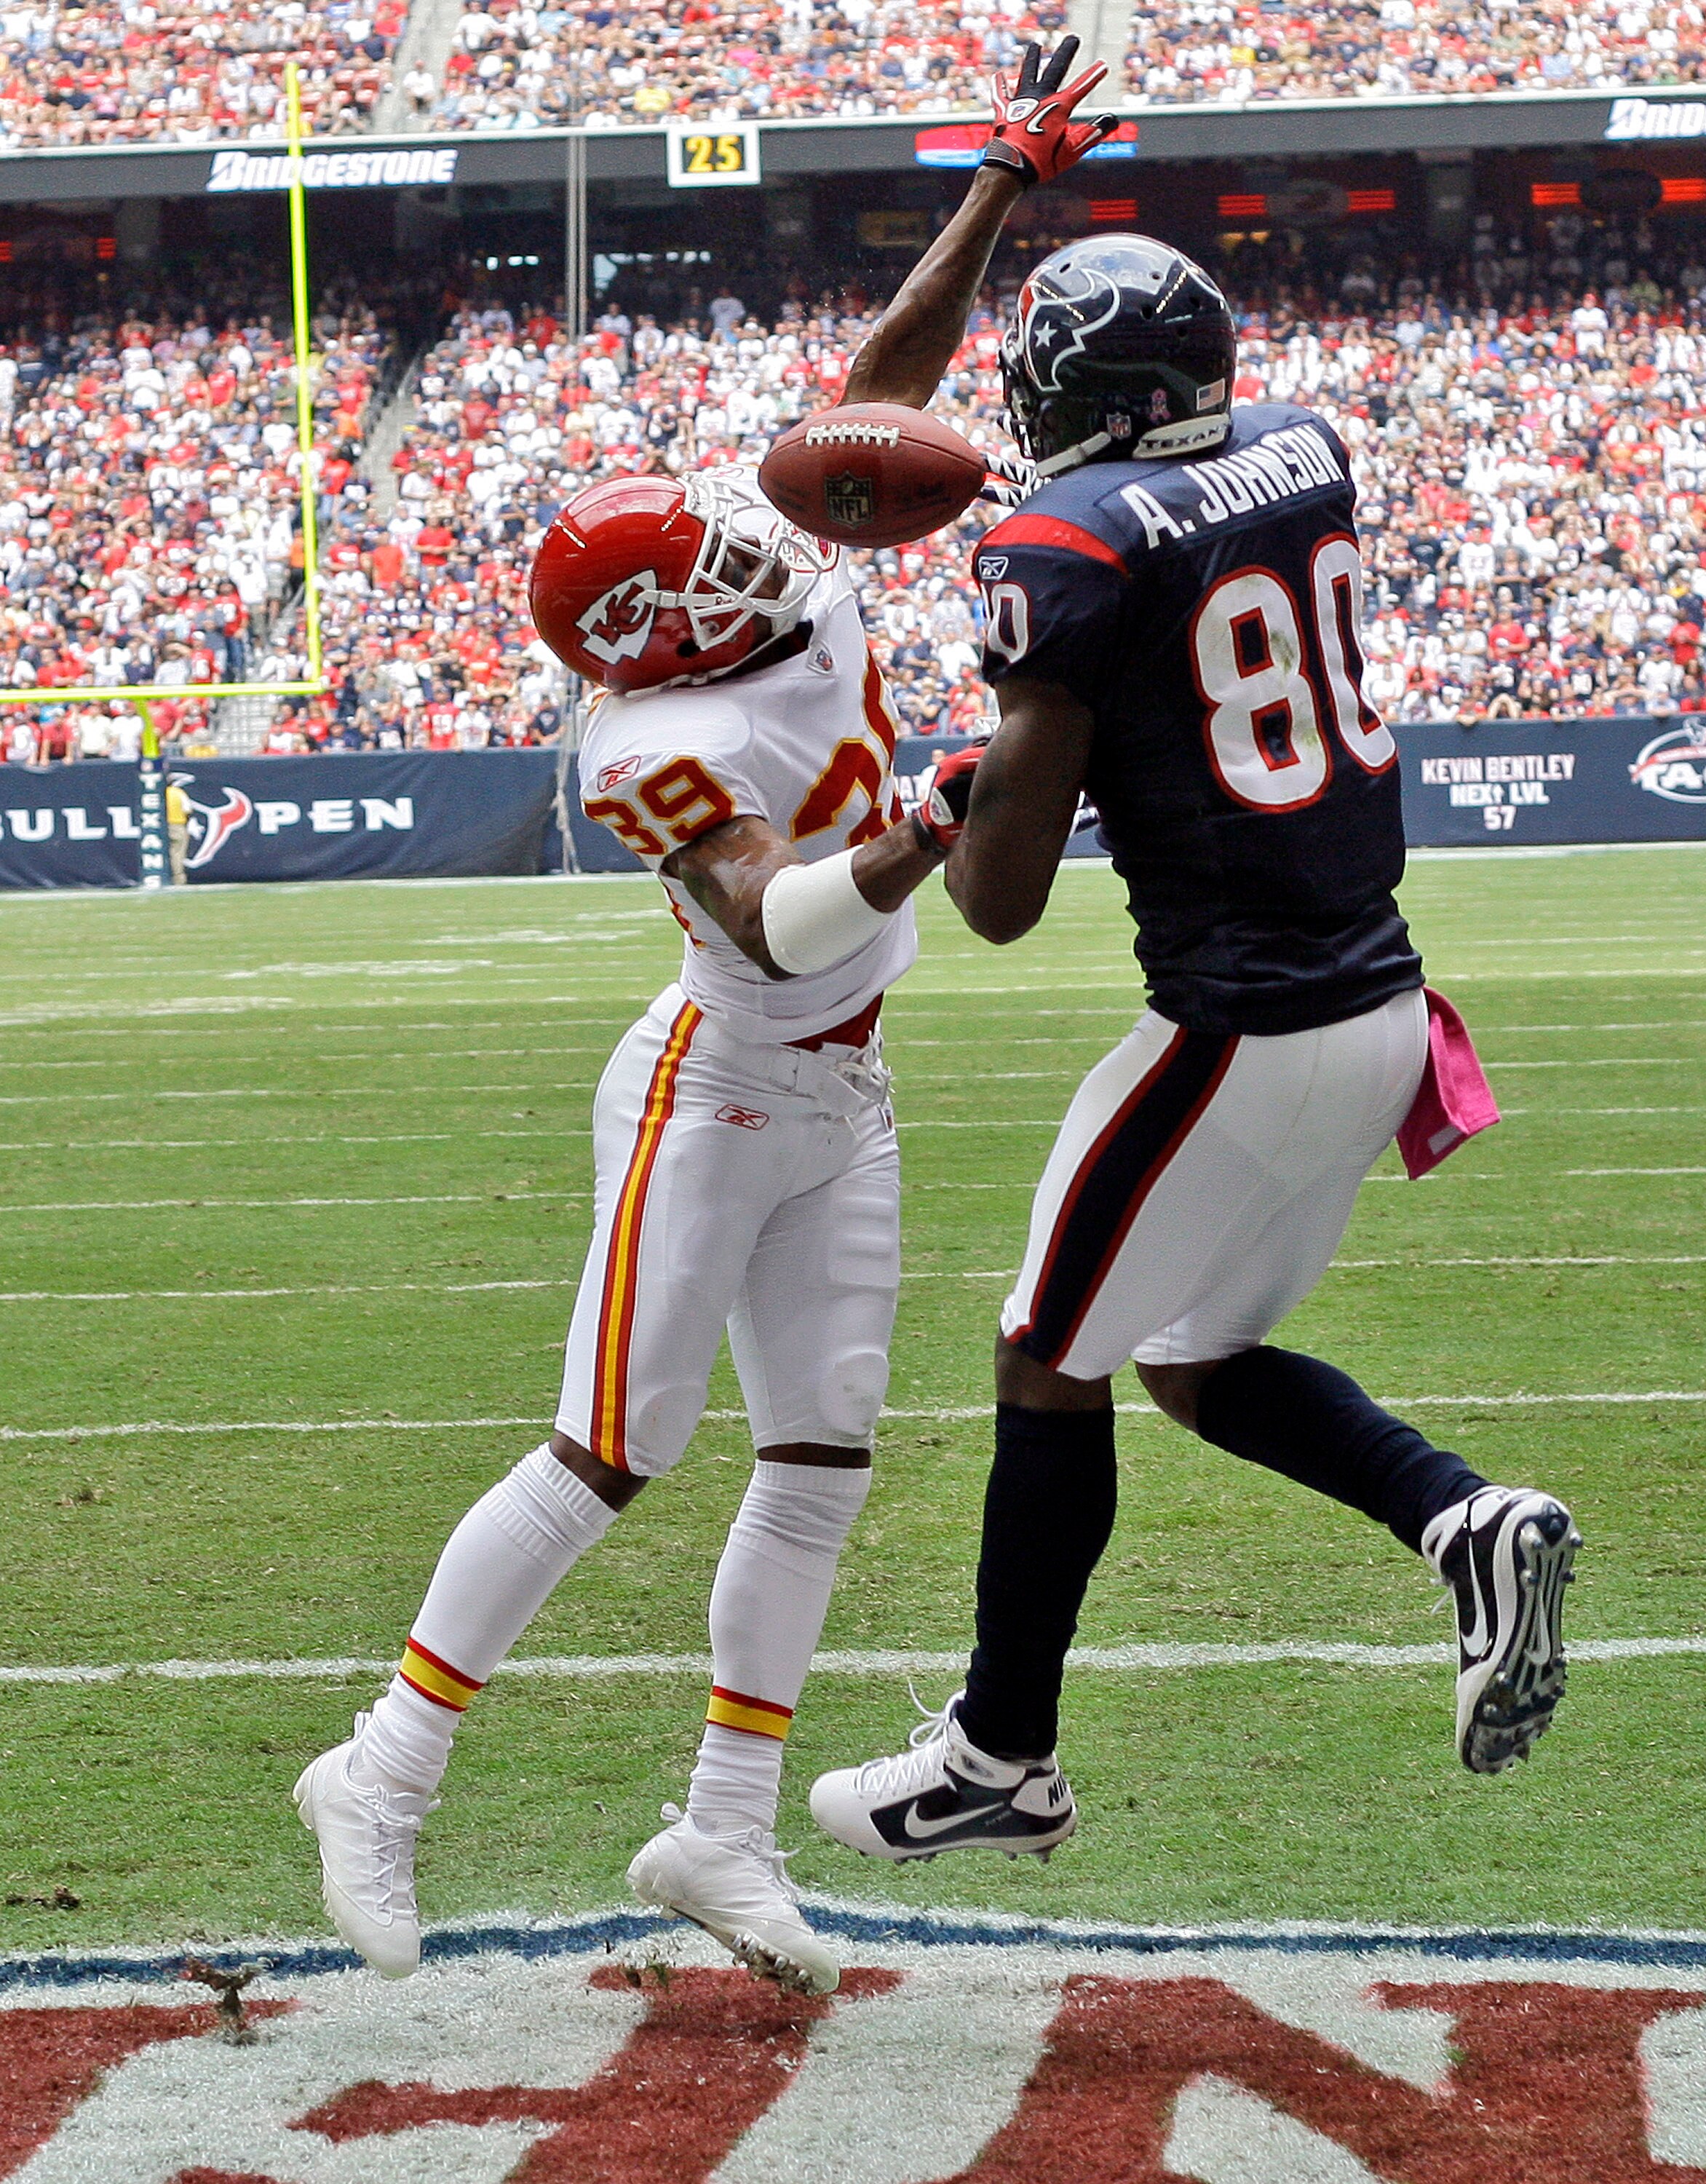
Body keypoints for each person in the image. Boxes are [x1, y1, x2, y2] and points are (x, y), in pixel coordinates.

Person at [290, 41, 1111, 1995]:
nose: (749, 544)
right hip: (718, 1080)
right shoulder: (647, 743)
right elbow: (762, 922)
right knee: (607, 1447)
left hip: (852, 1084)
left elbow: (877, 391)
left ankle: (717, 1836)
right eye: (697, 564)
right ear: (648, 639)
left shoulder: (742, 575)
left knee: (821, 1458)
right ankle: (380, 1772)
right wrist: (937, 815)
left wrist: (998, 183)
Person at [810, 224, 1580, 1867]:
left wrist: (968, 791)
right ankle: (1463, 1517)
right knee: (1190, 1360)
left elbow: (1002, 905)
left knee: (1043, 1354)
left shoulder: (1068, 540)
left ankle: (1002, 1751)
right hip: (1380, 1015)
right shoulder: (1302, 452)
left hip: (1236, 1037)